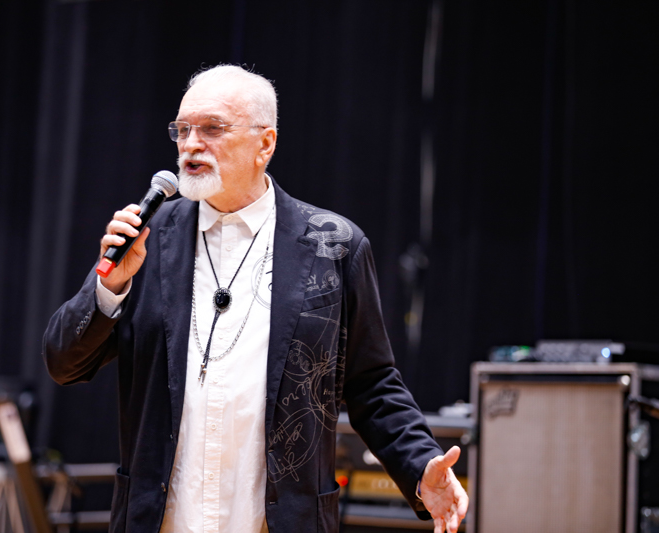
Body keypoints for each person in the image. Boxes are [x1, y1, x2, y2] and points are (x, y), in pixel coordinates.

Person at [43, 65, 468, 533]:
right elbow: (64, 363)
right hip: (160, 520)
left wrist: (419, 465)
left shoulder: (332, 245)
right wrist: (110, 287)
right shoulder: (147, 238)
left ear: (265, 144)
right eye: (182, 130)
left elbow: (372, 384)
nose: (190, 144)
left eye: (212, 128)